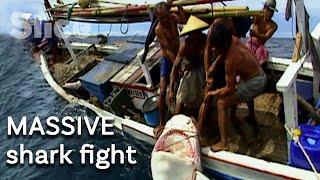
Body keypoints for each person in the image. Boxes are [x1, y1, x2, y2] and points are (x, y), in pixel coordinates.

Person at [204, 23, 267, 151]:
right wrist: (214, 66)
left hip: (256, 83)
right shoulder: (232, 39)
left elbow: (230, 89)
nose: (212, 50)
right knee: (232, 108)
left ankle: (224, 143)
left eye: (215, 47)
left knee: (221, 104)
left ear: (224, 45)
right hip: (258, 74)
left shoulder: (231, 60)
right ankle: (247, 128)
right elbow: (222, 54)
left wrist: (212, 93)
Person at [153, 2, 187, 137]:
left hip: (179, 55)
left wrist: (179, 7)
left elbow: (184, 21)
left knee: (182, 88)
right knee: (162, 91)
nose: (165, 20)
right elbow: (166, 50)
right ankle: (162, 122)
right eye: (161, 18)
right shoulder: (159, 29)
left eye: (166, 17)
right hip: (168, 59)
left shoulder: (173, 18)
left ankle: (182, 116)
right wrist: (176, 66)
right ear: (158, 18)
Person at [168, 15, 208, 116]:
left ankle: (199, 116)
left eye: (198, 32)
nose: (196, 36)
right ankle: (176, 119)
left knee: (201, 97)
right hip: (188, 71)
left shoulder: (205, 40)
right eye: (193, 33)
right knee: (182, 99)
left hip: (201, 69)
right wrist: (171, 90)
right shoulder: (185, 45)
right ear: (190, 34)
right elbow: (175, 67)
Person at [246, 0, 278, 65]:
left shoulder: (274, 26)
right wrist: (253, 17)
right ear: (264, 9)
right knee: (245, 55)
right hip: (251, 43)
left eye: (272, 12)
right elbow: (251, 21)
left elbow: (266, 37)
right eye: (268, 10)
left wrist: (255, 34)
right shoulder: (258, 16)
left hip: (260, 46)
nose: (269, 13)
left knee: (262, 53)